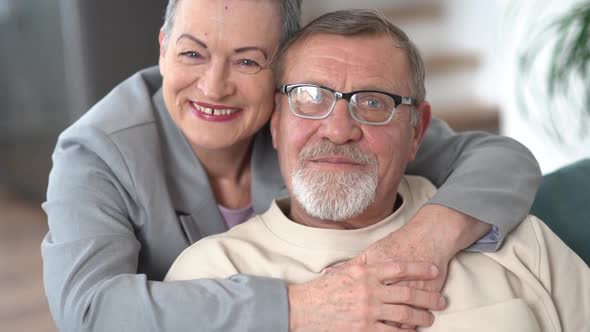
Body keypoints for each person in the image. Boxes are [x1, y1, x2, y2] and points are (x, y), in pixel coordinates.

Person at [41, 0, 541, 331]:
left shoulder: (318, 119)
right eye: (192, 54)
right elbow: (89, 311)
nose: (214, 86)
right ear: (163, 49)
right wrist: (300, 306)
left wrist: (425, 237)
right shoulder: (94, 153)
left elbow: (500, 160)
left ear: (284, 66)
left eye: (247, 61)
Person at [165, 9, 590, 332]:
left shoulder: (515, 241)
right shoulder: (209, 274)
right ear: (276, 121)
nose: (338, 129)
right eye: (310, 96)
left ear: (416, 132)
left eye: (372, 103)